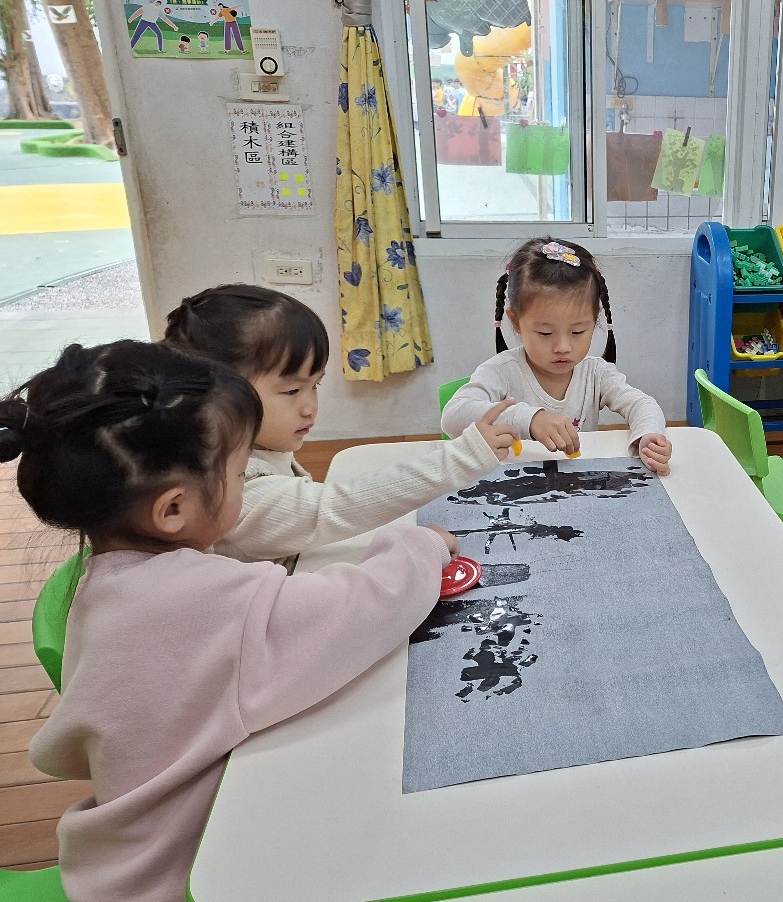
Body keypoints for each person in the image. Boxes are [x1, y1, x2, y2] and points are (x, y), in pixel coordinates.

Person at [4, 340, 454, 902]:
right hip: (186, 874)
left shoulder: (104, 581)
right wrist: (420, 547)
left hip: (115, 862)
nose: (246, 485)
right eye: (241, 474)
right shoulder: (199, 597)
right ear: (173, 509)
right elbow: (363, 609)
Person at [163, 285, 516, 565]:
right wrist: (460, 458)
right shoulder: (228, 490)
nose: (309, 407)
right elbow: (331, 508)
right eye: (291, 391)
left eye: (314, 386)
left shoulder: (256, 450)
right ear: (215, 397)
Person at [441, 238, 671, 475]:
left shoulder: (596, 373)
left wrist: (648, 436)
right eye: (545, 333)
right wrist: (530, 419)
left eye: (577, 332)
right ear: (515, 322)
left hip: (576, 481)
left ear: (595, 320)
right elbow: (452, 416)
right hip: (516, 483)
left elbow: (642, 404)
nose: (562, 347)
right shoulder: (502, 371)